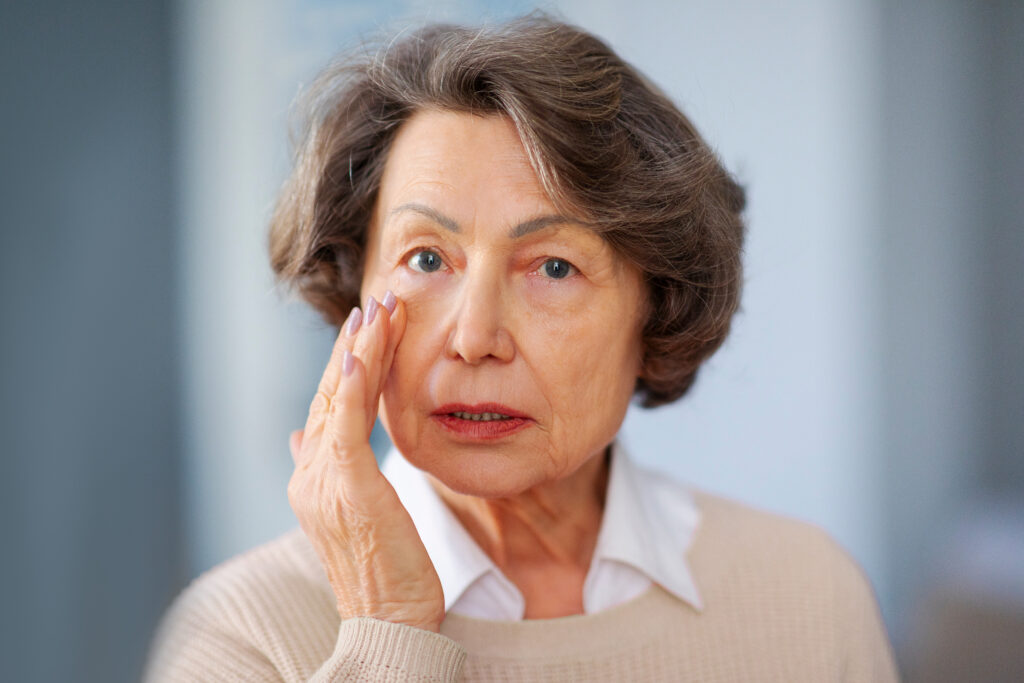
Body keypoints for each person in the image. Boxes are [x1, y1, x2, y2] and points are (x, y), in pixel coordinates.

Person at [145, 14, 899, 682]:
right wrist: (389, 633)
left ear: (658, 310)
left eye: (554, 268)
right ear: (355, 293)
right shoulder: (238, 639)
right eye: (426, 259)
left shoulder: (808, 597)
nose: (475, 338)